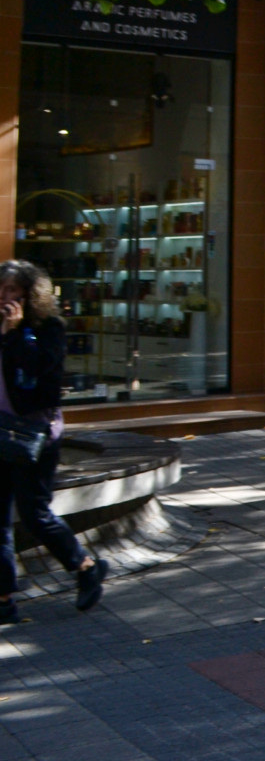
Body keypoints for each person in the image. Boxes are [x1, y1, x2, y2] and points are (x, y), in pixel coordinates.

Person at [0, 261, 107, 621]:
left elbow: (40, 375)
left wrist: (13, 334)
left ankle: (85, 566)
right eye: (1, 288)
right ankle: (3, 600)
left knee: (35, 515)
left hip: (32, 436)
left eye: (13, 289)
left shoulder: (49, 330)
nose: (5, 296)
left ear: (31, 295)